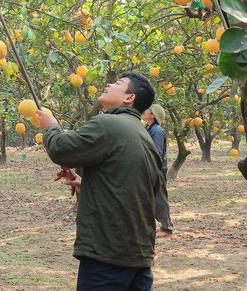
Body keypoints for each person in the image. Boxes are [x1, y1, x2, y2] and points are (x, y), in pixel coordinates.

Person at [36, 71, 161, 291]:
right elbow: (134, 188)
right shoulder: (143, 136)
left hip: (108, 252)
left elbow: (60, 149)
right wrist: (86, 183)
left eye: (118, 83)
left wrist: (51, 126)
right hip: (138, 252)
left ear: (128, 98)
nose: (109, 84)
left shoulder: (108, 124)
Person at [144, 103, 174, 234]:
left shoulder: (156, 131)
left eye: (148, 110)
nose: (145, 111)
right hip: (149, 168)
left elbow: (156, 152)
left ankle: (167, 226)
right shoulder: (148, 128)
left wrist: (153, 170)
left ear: (152, 115)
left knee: (159, 198)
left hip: (156, 169)